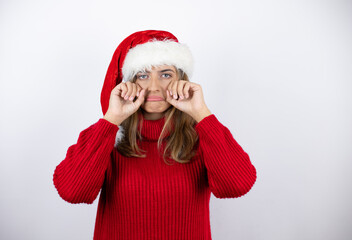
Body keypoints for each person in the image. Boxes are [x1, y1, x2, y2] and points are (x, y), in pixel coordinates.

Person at [53, 30, 257, 240]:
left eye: (166, 74)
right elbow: (72, 192)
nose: (153, 87)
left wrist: (201, 113)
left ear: (182, 79)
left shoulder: (203, 137)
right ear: (127, 82)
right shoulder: (107, 139)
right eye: (142, 75)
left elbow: (236, 186)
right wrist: (112, 118)